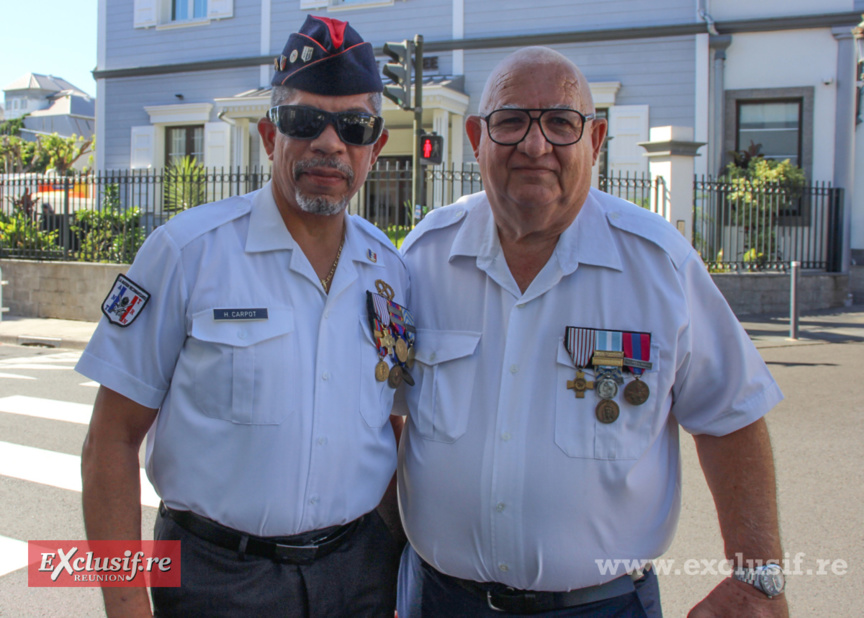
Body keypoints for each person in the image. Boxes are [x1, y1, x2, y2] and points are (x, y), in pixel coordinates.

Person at [396, 47, 788, 617]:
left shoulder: (659, 267)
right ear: (478, 137)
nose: (536, 146)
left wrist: (758, 579)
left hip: (602, 606)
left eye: (560, 122)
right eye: (511, 122)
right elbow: (384, 413)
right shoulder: (424, 258)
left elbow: (732, 417)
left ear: (596, 139)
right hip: (439, 599)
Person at [77, 15, 410, 617]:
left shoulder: (391, 270)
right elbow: (110, 440)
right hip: (218, 580)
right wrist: (126, 605)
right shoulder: (187, 253)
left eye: (354, 126)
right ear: (267, 135)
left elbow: (389, 429)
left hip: (359, 575)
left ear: (375, 147)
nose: (329, 143)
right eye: (305, 120)